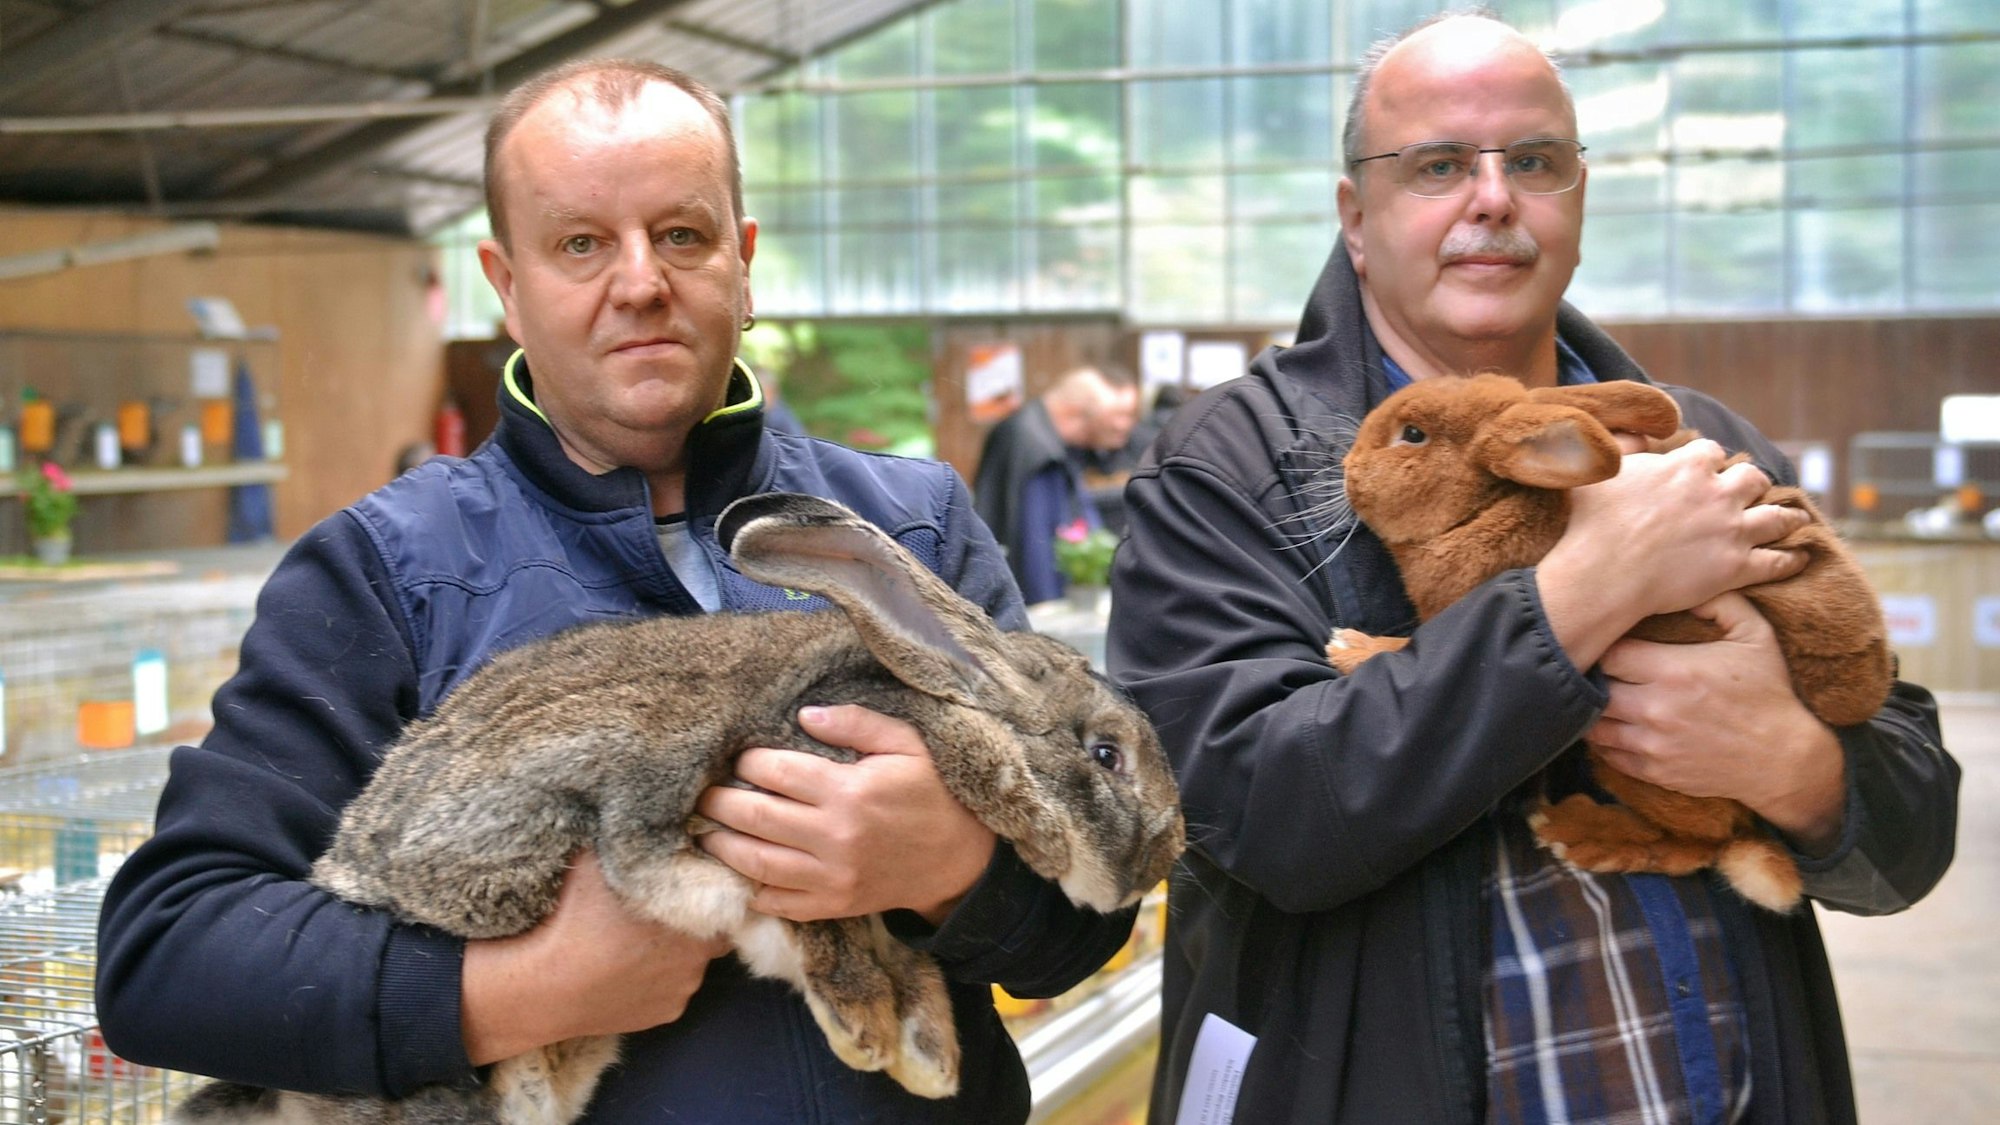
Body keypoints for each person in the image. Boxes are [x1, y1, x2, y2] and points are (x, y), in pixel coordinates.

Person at [95, 59, 1134, 1124]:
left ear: (744, 257)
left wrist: (953, 870)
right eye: (580, 243)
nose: (639, 281)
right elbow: (171, 954)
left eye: (681, 235)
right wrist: (506, 990)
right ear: (507, 284)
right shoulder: (385, 568)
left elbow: (1085, 912)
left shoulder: (906, 524)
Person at [1107, 12, 1958, 1125]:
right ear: (1355, 219)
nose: (1493, 198)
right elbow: (1262, 821)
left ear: (1577, 198)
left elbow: (1911, 827)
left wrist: (1791, 763)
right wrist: (1585, 591)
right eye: (1439, 165)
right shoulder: (1226, 469)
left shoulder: (1694, 446)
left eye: (1536, 161)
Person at [972, 365, 1139, 603]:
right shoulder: (1035, 447)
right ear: (1077, 412)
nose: (1123, 426)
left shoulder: (1043, 439)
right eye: (1117, 415)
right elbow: (1035, 555)